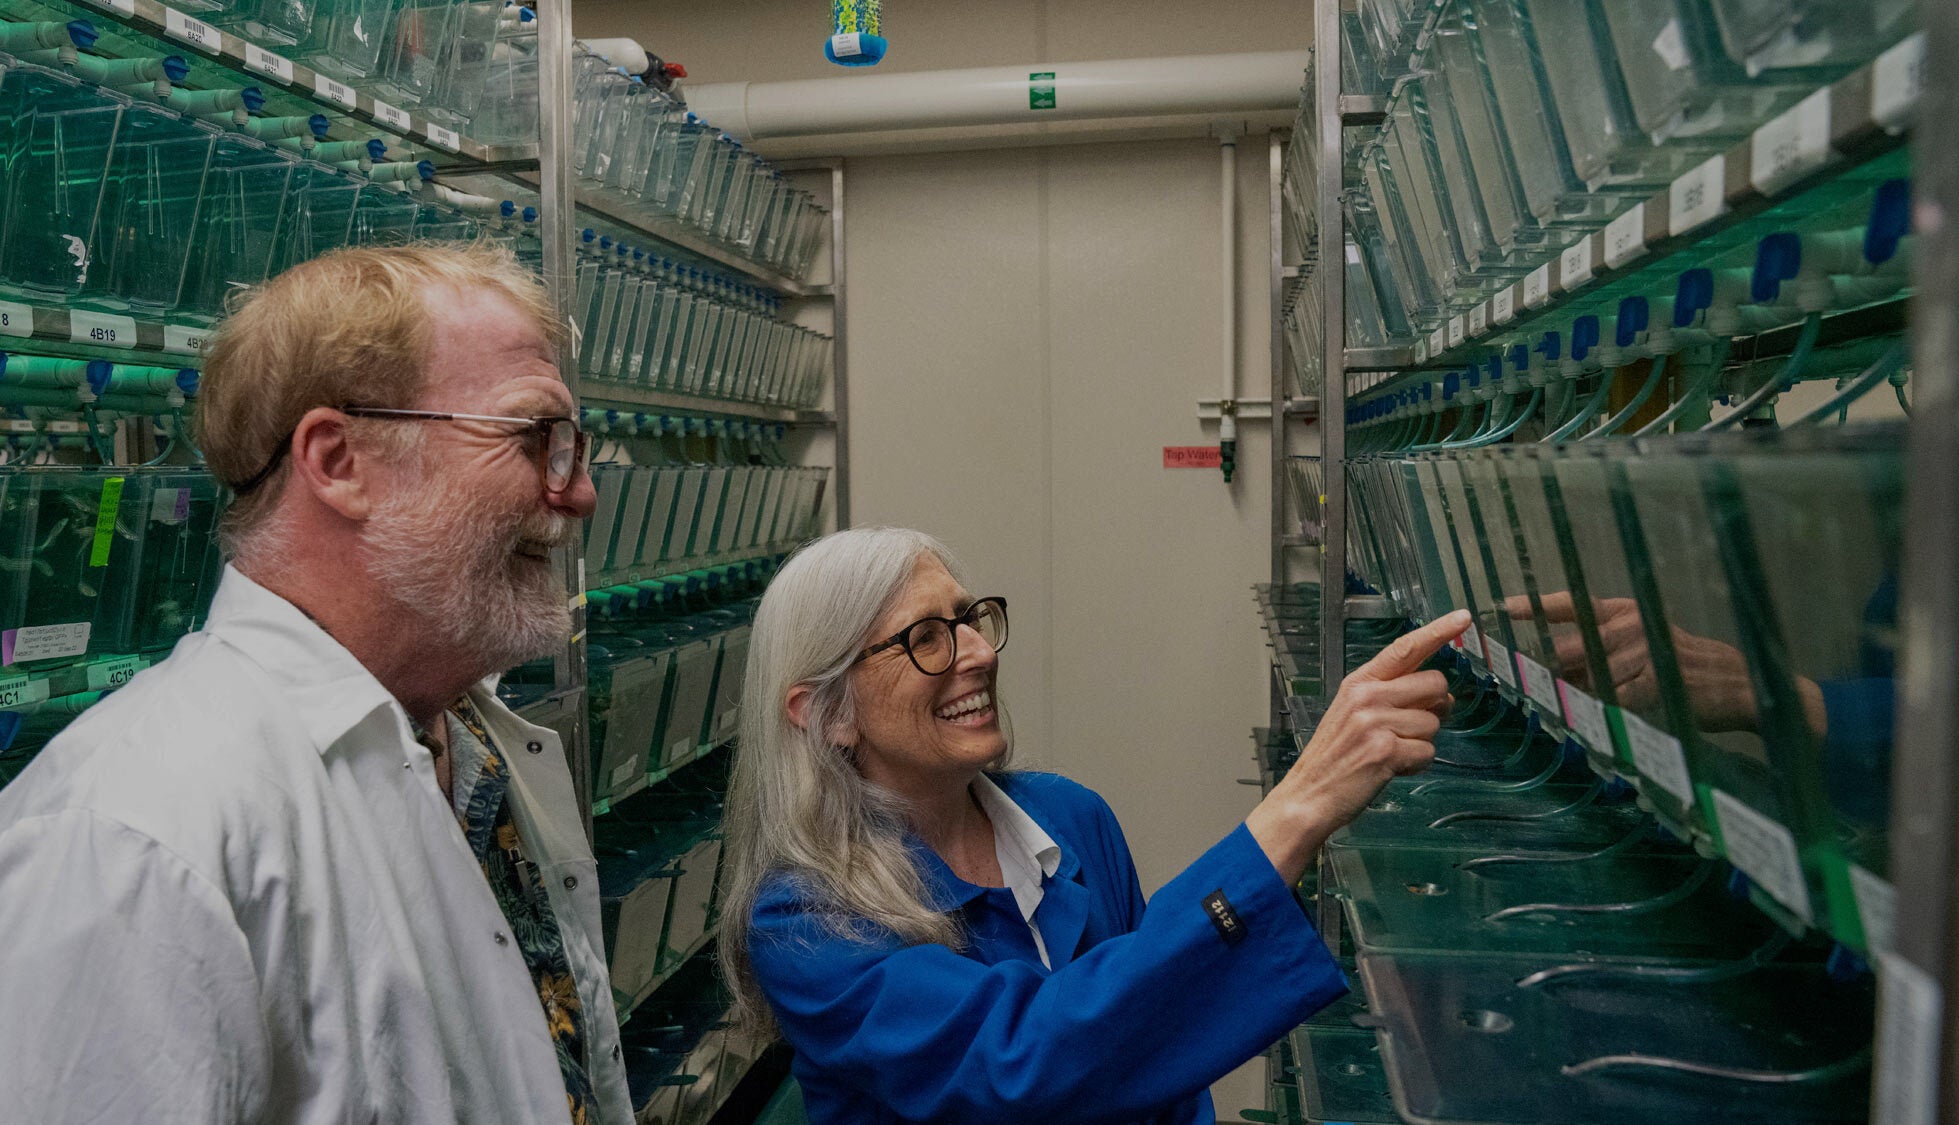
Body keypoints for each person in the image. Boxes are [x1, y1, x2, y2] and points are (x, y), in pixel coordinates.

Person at [0, 244, 634, 1124]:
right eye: (535, 437)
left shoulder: (477, 741)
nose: (580, 492)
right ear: (339, 461)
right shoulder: (133, 838)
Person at [716, 527, 1468, 1124]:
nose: (979, 652)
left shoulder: (1069, 816)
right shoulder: (805, 918)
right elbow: (1020, 1062)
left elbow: (1159, 1054)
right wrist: (1294, 812)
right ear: (825, 713)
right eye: (926, 637)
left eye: (972, 619)